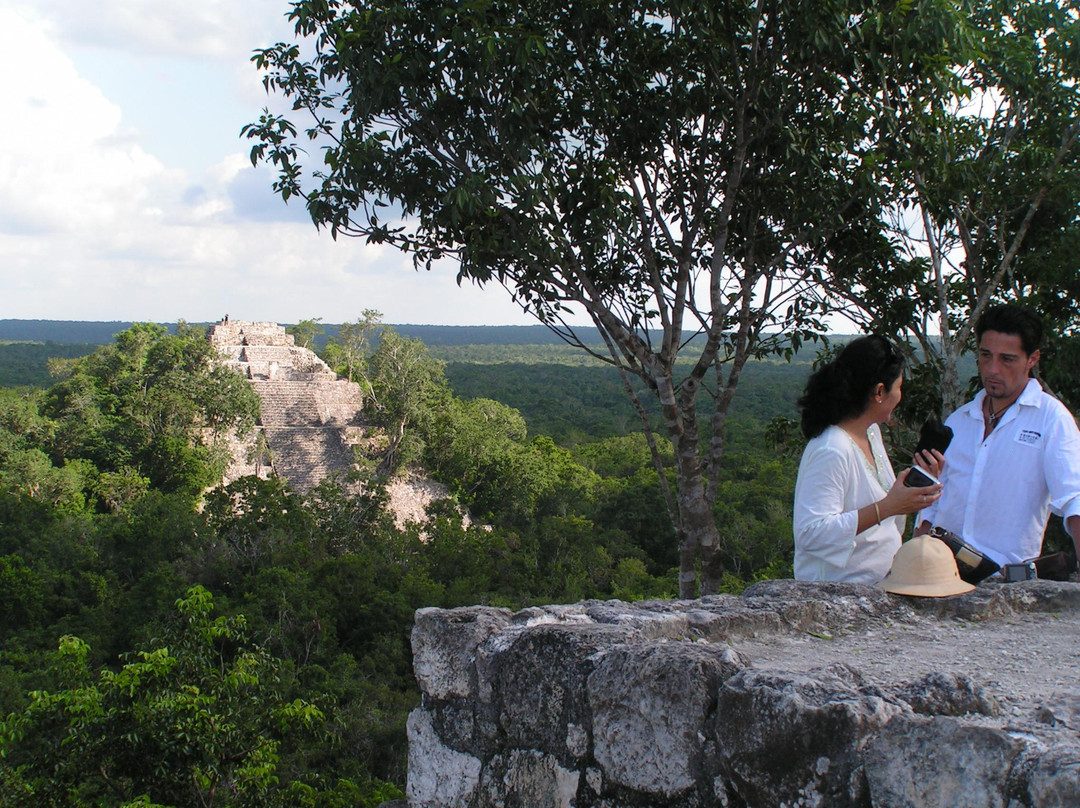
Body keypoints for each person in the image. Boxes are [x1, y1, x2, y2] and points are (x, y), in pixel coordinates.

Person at [916, 304, 1080, 567]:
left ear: (1032, 359)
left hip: (1004, 583)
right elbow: (933, 500)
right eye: (985, 355)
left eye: (1007, 359)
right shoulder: (959, 420)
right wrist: (915, 555)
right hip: (938, 573)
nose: (992, 369)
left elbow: (1075, 498)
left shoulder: (1051, 419)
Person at [793, 336, 944, 583]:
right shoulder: (832, 448)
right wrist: (888, 507)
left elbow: (882, 508)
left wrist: (911, 491)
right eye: (899, 387)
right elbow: (811, 534)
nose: (901, 395)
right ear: (880, 392)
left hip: (877, 585)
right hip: (834, 595)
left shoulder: (871, 433)